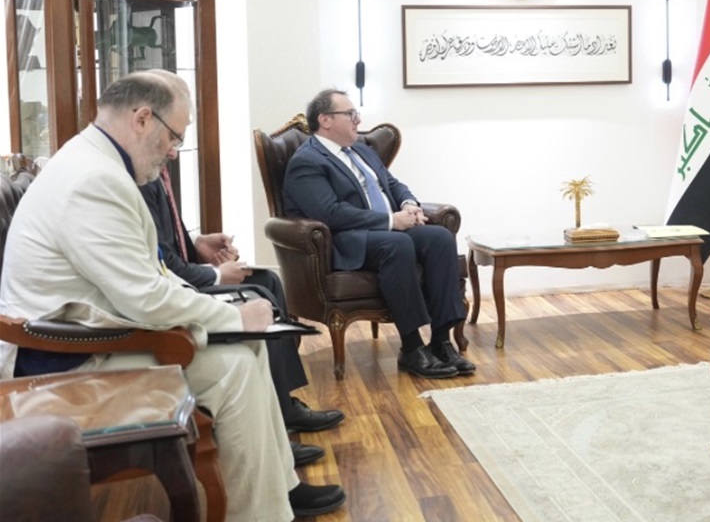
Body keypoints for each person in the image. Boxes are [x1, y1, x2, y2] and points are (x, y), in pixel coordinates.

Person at [0, 70, 345, 519]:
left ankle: (277, 492)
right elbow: (145, 297)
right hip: (63, 359)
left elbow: (150, 275)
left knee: (249, 350)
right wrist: (235, 317)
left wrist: (222, 310)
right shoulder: (94, 180)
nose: (173, 151)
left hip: (92, 331)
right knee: (236, 366)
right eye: (174, 137)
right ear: (143, 118)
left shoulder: (94, 161)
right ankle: (259, 512)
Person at [140, 169, 345, 467]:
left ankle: (283, 405)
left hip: (183, 277)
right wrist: (216, 274)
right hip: (178, 291)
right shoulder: (141, 181)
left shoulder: (157, 174)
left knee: (268, 281)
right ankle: (276, 417)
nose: (174, 153)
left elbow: (170, 243)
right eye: (173, 143)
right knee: (260, 290)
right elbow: (164, 263)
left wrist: (198, 243)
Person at [282, 89, 471, 379]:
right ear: (325, 120)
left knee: (440, 238)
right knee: (397, 243)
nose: (358, 120)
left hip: (387, 230)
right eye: (350, 114)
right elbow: (331, 213)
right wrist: (391, 221)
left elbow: (393, 184)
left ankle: (441, 341)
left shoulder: (362, 150)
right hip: (348, 239)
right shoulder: (307, 160)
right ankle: (412, 348)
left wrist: (408, 204)